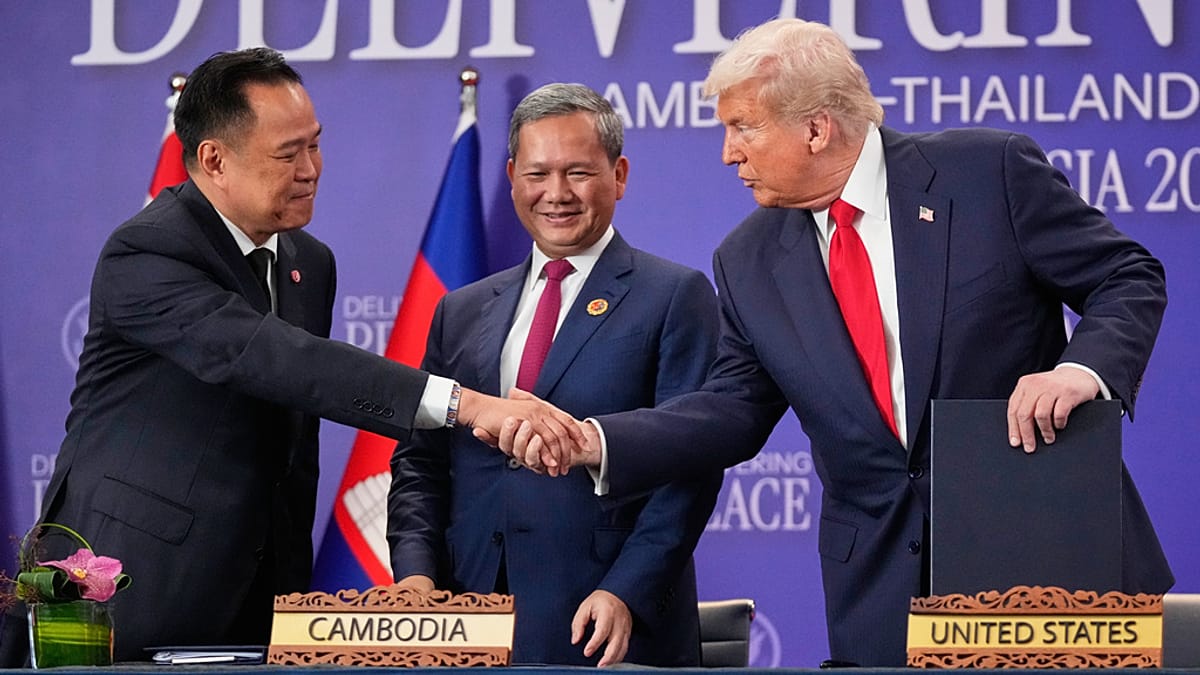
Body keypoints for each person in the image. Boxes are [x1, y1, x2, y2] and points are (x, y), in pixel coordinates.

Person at [499, 19, 1175, 667]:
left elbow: (1126, 275)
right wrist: (596, 439)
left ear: (816, 129)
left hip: (1045, 557)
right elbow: (732, 408)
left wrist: (1082, 370)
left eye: (743, 128)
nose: (729, 152)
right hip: (881, 593)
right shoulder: (747, 258)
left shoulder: (986, 173)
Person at [1, 47, 578, 664]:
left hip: (265, 591)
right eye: (287, 154)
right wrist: (466, 404)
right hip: (134, 585)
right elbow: (279, 359)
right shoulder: (148, 251)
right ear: (214, 159)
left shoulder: (309, 261)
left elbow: (293, 434)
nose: (311, 170)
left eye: (315, 145)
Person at [387, 83, 722, 667]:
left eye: (579, 173)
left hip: (601, 623)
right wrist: (416, 576)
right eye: (538, 174)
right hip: (465, 620)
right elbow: (422, 461)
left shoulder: (675, 296)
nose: (557, 194)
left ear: (619, 175)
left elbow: (689, 469)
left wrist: (627, 590)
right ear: (512, 177)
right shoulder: (460, 310)